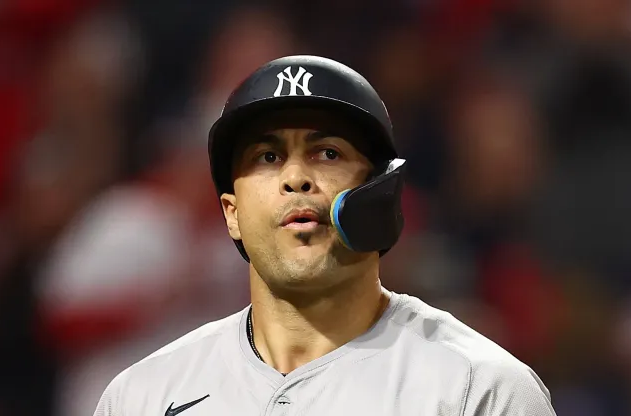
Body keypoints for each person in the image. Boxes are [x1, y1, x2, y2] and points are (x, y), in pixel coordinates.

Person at [93, 55, 557, 415]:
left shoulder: (478, 390)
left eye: (327, 153)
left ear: (382, 193)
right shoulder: (143, 397)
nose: (296, 177)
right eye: (267, 158)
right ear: (231, 213)